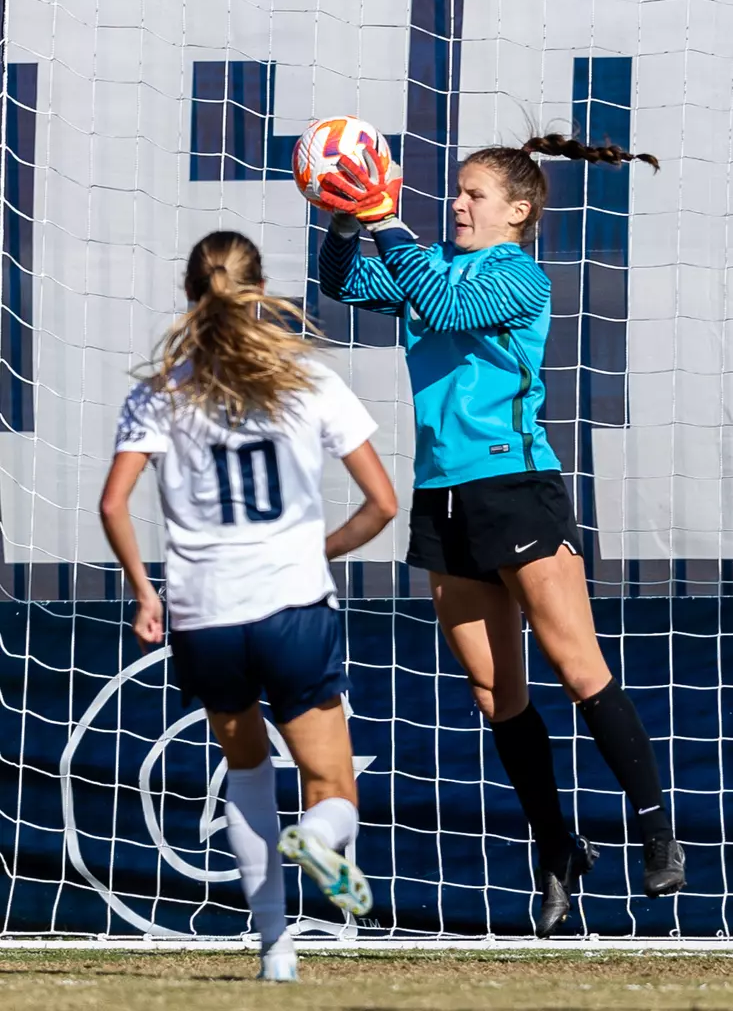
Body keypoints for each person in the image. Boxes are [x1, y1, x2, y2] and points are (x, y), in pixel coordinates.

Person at [313, 133, 686, 937]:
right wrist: (344, 219)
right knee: (494, 694)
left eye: (472, 193)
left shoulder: (515, 275)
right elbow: (341, 285)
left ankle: (657, 828)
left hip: (515, 488)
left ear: (517, 211)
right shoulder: (433, 264)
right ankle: (556, 849)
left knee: (578, 668)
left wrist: (383, 216)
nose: (455, 203)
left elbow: (443, 305)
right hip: (442, 499)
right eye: (453, 192)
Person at [99, 231, 397, 980]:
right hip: (291, 607)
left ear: (190, 291)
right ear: (260, 288)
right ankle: (322, 841)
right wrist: (316, 549)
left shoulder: (162, 390)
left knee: (247, 770)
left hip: (205, 614)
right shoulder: (306, 379)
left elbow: (113, 504)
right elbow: (382, 504)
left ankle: (276, 954)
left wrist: (144, 593)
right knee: (328, 785)